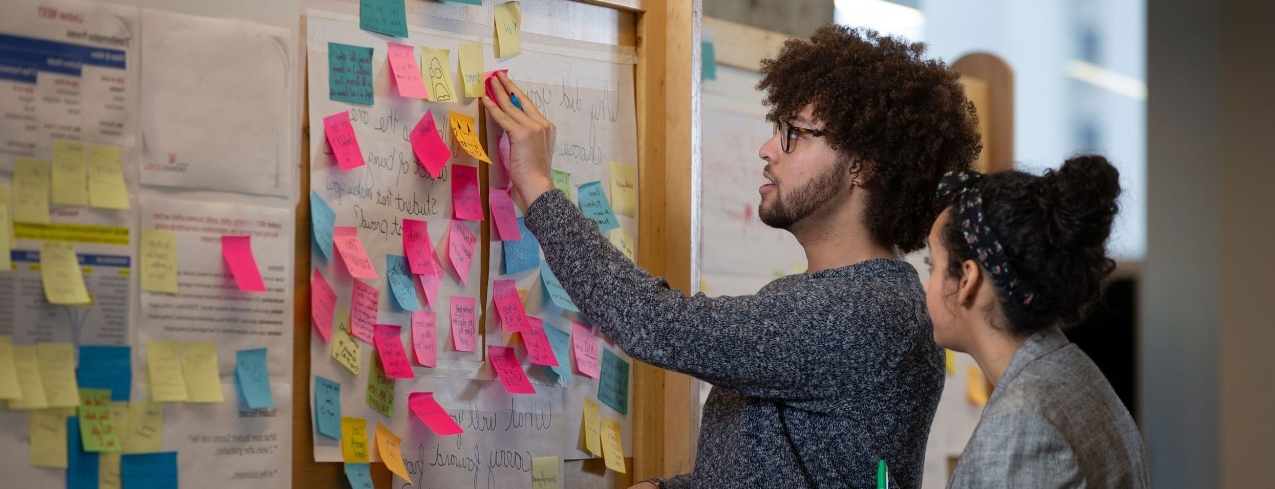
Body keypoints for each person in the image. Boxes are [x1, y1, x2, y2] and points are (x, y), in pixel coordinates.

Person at [484, 24, 981, 488]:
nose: (768, 148)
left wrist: (538, 186)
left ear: (863, 166)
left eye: (794, 132)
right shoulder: (840, 299)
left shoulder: (863, 313)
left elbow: (654, 322)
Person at [923, 156, 1150, 488]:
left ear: (968, 279)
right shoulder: (1070, 369)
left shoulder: (1022, 425)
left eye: (932, 267)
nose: (926, 286)